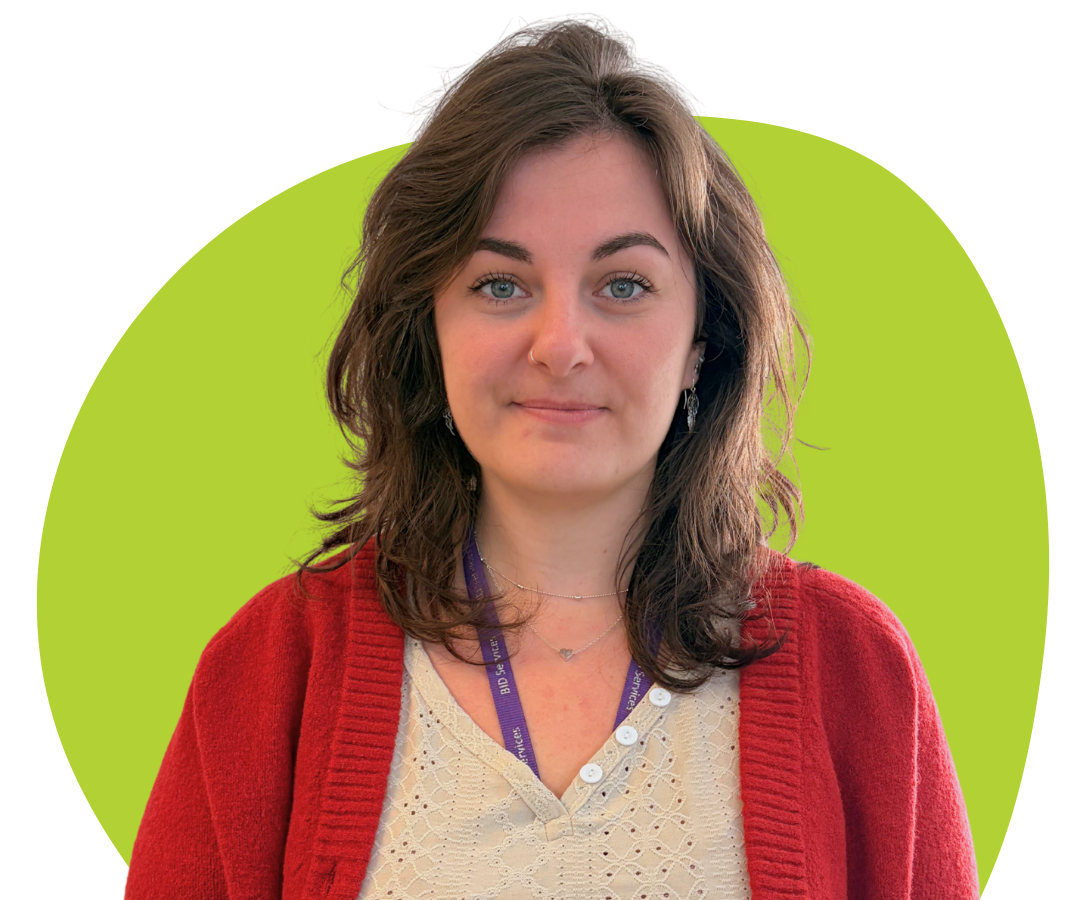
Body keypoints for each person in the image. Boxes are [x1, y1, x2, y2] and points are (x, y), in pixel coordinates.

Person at [124, 18, 979, 900]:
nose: (560, 344)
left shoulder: (856, 670)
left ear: (700, 341)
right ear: (432, 330)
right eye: (501, 284)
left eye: (624, 285)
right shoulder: (271, 673)